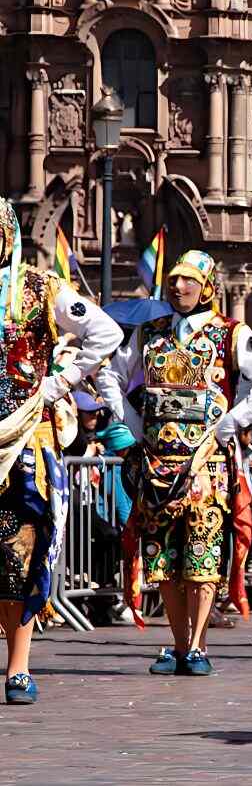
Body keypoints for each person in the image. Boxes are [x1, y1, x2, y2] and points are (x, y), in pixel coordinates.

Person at [97, 250, 252, 676]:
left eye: (188, 280)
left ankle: (198, 644)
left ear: (207, 288)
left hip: (206, 463)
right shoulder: (150, 332)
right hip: (157, 463)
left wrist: (232, 421)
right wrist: (131, 421)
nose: (178, 286)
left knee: (201, 555)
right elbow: (110, 373)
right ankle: (180, 644)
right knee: (162, 559)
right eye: (174, 280)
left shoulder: (231, 333)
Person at [0, 198, 122, 704]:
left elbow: (105, 332)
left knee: (18, 552)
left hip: (24, 440)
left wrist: (59, 382)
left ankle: (18, 667)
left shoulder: (40, 287)